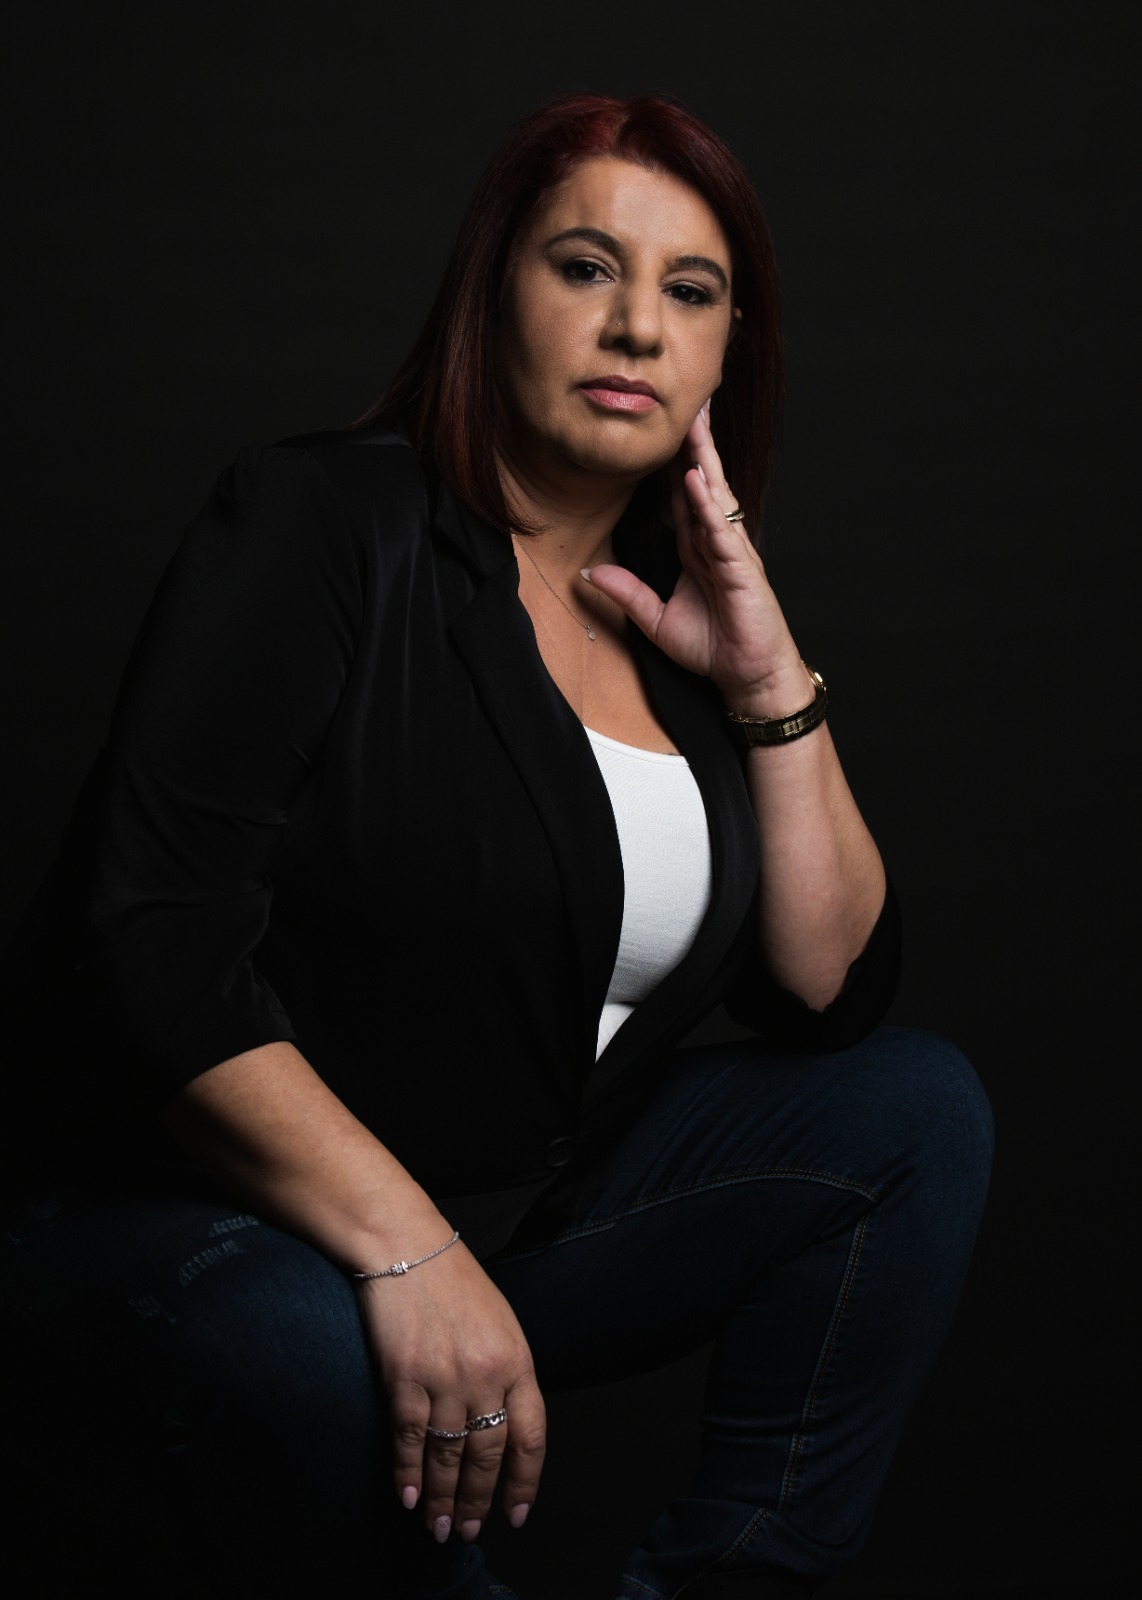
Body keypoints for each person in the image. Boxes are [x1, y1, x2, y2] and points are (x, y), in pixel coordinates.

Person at [0, 93, 993, 1599]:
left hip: (499, 1221)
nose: (637, 325)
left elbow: (825, 992)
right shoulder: (325, 520)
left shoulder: (673, 629)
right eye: (586, 267)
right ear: (494, 291)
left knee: (910, 1107)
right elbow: (149, 941)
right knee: (310, 1352)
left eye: (690, 291)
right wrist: (408, 1254)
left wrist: (768, 686)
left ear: (728, 350)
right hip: (195, 1222)